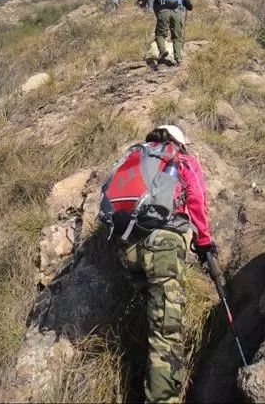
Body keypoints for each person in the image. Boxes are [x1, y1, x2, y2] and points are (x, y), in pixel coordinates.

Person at [98, 125, 215, 404]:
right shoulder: (181, 159)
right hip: (162, 244)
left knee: (152, 315)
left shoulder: (133, 158)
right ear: (178, 142)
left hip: (126, 246)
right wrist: (204, 242)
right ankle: (163, 398)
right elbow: (196, 199)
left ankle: (145, 377)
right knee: (166, 328)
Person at [153, 0, 193, 68]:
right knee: (177, 37)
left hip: (163, 12)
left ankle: (162, 50)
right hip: (177, 13)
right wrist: (187, 6)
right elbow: (190, 6)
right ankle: (178, 59)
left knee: (159, 34)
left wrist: (158, 16)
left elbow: (155, 6)